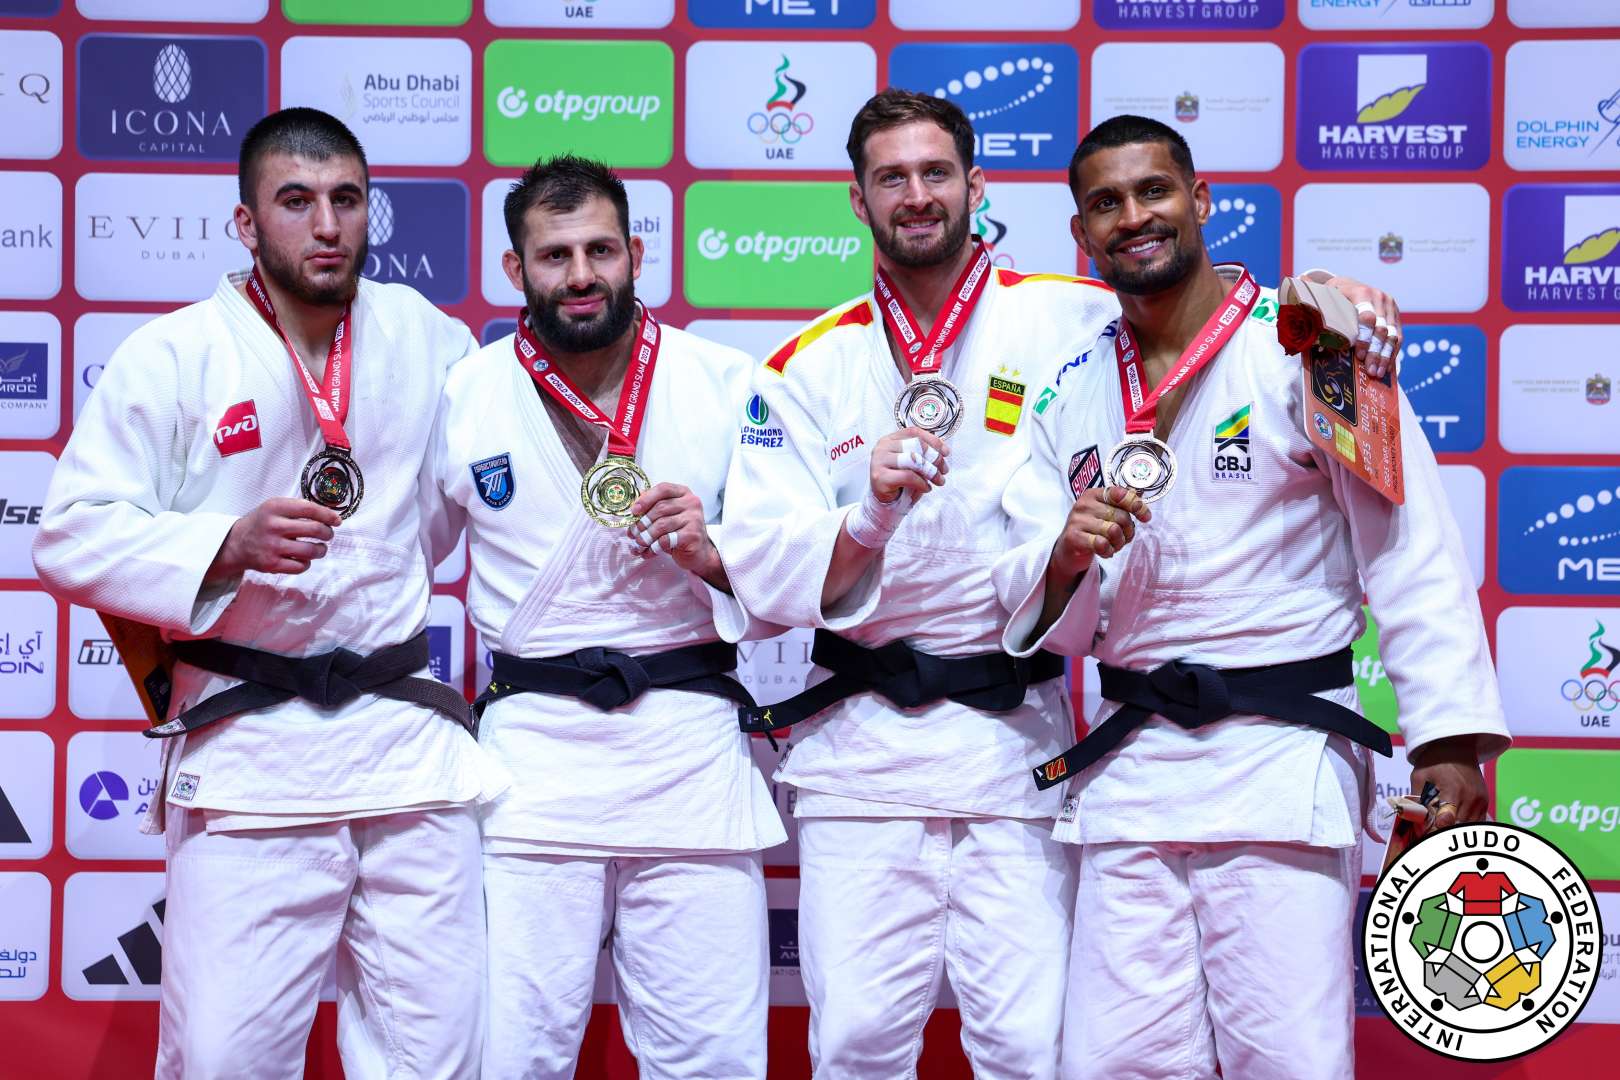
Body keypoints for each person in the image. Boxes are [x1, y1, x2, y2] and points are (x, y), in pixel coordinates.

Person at [995, 114, 1510, 1080]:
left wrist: (1446, 739)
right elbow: (1030, 578)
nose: (1133, 217)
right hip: (1133, 774)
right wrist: (1062, 557)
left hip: (1280, 761)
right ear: (1080, 232)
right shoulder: (1069, 388)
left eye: (1154, 191)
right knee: (1111, 1064)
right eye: (1106, 203)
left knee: (1289, 1059)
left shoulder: (1315, 343)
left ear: (1201, 200)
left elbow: (1409, 548)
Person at [32, 108, 504, 1079]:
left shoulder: (429, 338)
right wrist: (223, 545)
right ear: (247, 224)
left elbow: (469, 500)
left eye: (346, 200)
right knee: (225, 1060)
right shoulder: (176, 354)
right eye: (296, 201)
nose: (327, 225)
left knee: (438, 1058)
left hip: (406, 751)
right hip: (253, 754)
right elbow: (69, 535)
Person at [715, 88, 1127, 1079]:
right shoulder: (807, 365)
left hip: (1012, 748)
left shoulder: (1071, 318)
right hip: (860, 758)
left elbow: (1195, 317)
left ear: (976, 186)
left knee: (1028, 1048)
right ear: (857, 199)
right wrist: (866, 515)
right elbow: (769, 571)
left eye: (935, 172)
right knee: (856, 1044)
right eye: (891, 177)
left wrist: (1315, 302)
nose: (916, 195)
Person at [422, 155, 784, 1080]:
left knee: (713, 1059)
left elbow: (794, 574)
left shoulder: (724, 381)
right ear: (516, 269)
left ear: (637, 254)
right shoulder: (467, 393)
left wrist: (713, 553)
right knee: (511, 1055)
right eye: (555, 255)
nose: (581, 274)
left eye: (601, 250)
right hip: (533, 767)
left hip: (688, 756)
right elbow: (395, 563)